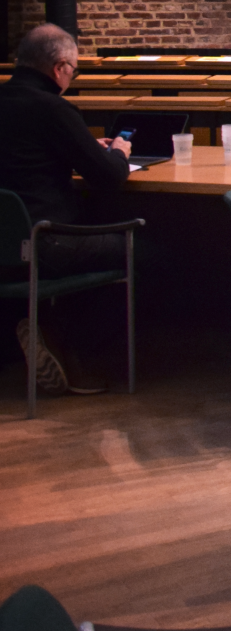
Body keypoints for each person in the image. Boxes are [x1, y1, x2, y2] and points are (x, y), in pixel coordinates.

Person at [0, 24, 134, 394]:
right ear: (60, 67)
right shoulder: (52, 108)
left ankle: (43, 330)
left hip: (6, 245)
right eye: (73, 70)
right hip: (48, 241)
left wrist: (81, 144)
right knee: (143, 251)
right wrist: (119, 153)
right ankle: (62, 341)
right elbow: (107, 176)